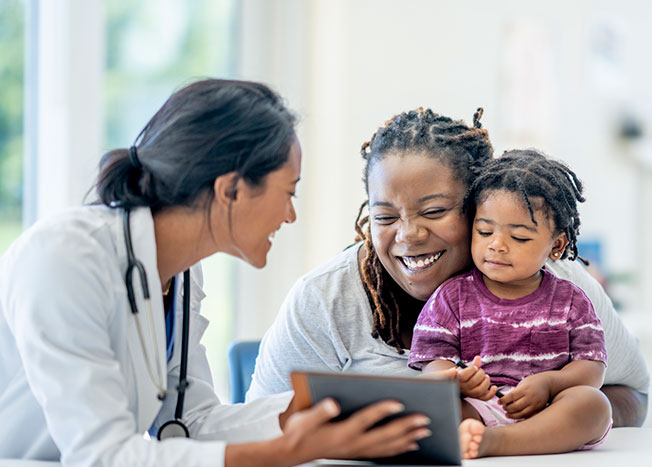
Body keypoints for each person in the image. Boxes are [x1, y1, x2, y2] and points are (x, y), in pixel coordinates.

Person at [0, 79, 433, 467]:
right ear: (231, 190)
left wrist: (330, 408)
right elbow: (102, 457)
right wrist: (283, 453)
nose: (290, 215)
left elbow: (190, 422)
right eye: (288, 192)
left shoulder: (183, 272)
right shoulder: (65, 256)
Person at [247, 107, 650, 427]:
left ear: (480, 205)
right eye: (385, 217)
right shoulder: (324, 299)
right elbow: (263, 423)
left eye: (435, 211)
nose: (407, 235)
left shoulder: (556, 283)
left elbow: (633, 396)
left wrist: (532, 417)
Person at [408, 149, 612, 458]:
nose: (496, 245)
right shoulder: (451, 298)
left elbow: (592, 368)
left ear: (556, 246)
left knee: (594, 405)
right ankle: (478, 435)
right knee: (429, 406)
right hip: (478, 408)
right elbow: (433, 364)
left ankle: (497, 442)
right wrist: (459, 381)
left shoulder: (571, 301)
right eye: (485, 231)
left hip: (549, 411)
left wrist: (550, 383)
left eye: (518, 237)